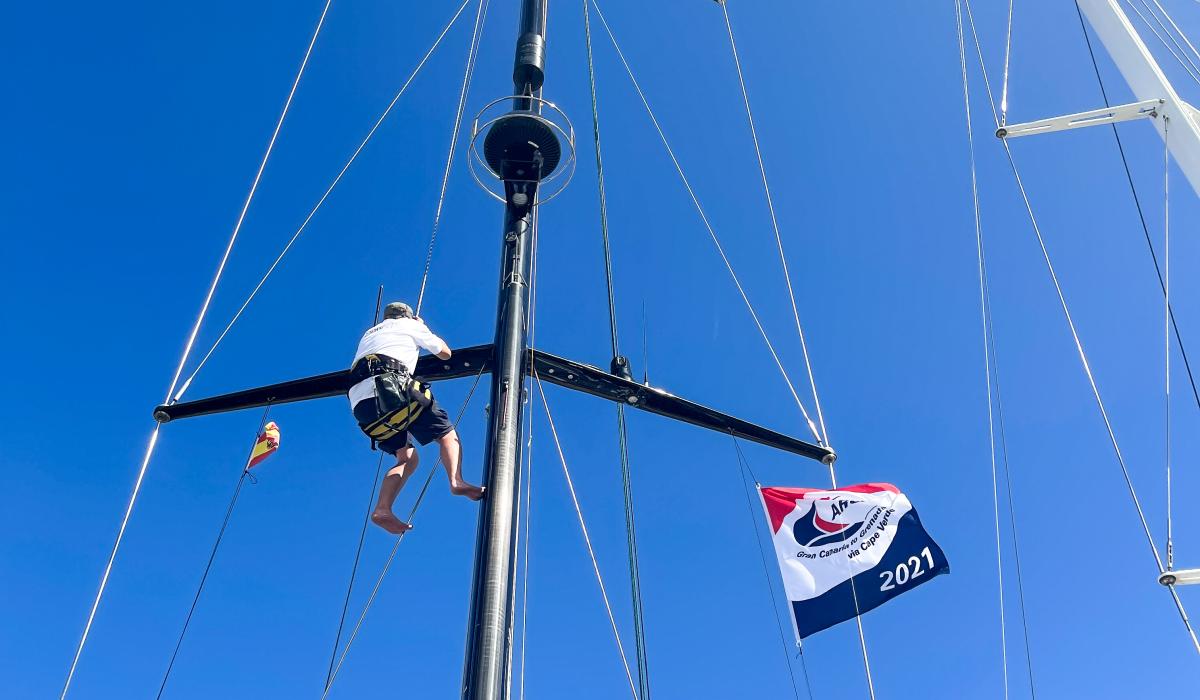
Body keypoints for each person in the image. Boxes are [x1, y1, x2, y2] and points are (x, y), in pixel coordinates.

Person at [349, 302, 483, 534]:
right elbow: (444, 353)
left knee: (407, 458)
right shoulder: (409, 325)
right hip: (393, 391)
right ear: (408, 316)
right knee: (446, 434)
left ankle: (382, 508)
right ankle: (456, 481)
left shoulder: (369, 334)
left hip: (362, 407)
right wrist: (423, 327)